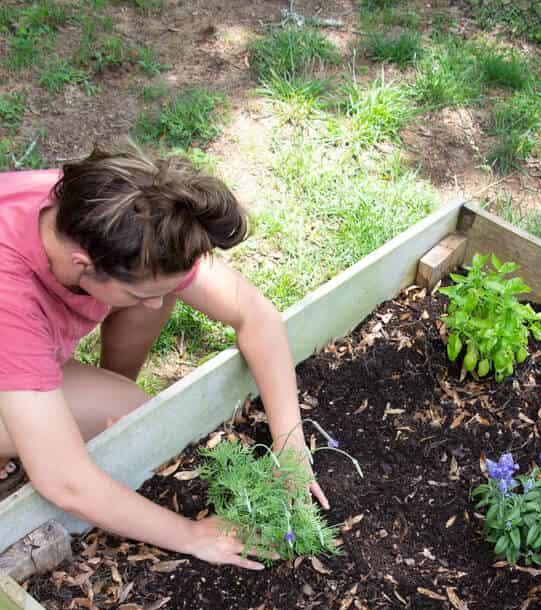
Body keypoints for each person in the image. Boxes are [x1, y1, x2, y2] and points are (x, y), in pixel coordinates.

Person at [0, 145, 328, 569]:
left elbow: (256, 315)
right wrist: (191, 535)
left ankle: (51, 419)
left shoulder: (113, 215)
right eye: (140, 294)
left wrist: (290, 444)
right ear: (83, 264)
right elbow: (64, 482)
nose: (155, 307)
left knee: (126, 416)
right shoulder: (11, 297)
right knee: (99, 428)